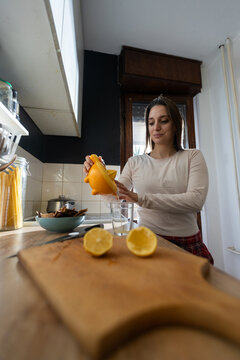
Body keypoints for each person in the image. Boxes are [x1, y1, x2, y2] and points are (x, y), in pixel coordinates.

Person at [83, 95, 214, 264]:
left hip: (187, 243)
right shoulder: (135, 162)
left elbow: (195, 201)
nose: (156, 127)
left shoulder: (193, 156)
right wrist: (98, 177)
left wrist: (140, 198)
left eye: (164, 120)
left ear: (175, 124)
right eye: (151, 122)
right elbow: (116, 200)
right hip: (147, 240)